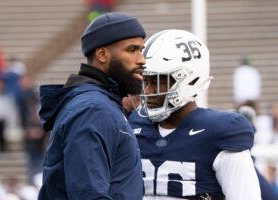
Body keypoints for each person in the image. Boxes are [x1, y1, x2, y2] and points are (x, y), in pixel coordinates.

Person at [127, 29, 262, 199]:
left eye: (159, 80)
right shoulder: (133, 126)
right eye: (145, 80)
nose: (148, 91)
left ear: (189, 79)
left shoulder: (219, 133)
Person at [37, 12, 146, 200]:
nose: (141, 60)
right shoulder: (94, 109)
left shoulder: (101, 104)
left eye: (141, 50)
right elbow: (88, 195)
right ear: (102, 54)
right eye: (132, 50)